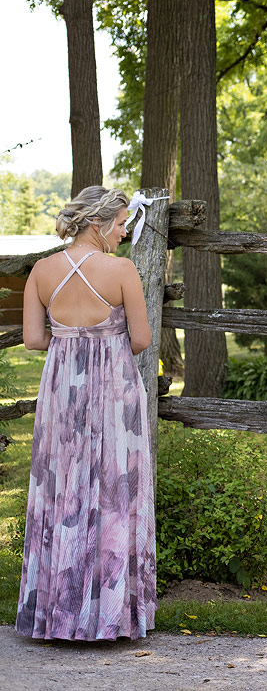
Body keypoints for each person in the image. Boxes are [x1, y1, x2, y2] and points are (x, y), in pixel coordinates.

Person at [18, 186, 156, 640]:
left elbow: (35, 341)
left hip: (61, 389)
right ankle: (109, 612)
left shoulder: (41, 271)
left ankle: (57, 612)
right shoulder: (120, 270)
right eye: (120, 225)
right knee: (114, 486)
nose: (123, 233)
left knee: (63, 489)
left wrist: (69, 338)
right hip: (113, 387)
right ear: (98, 224)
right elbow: (140, 339)